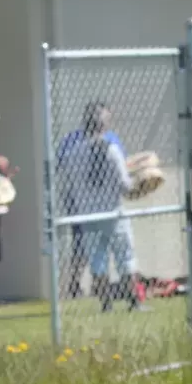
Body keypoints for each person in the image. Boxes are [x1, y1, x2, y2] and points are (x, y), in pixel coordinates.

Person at [61, 101, 145, 311]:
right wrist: (140, 183)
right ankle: (134, 301)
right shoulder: (112, 150)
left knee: (97, 259)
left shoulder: (72, 154)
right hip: (112, 212)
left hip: (87, 214)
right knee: (125, 255)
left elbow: (71, 185)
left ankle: (106, 303)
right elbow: (125, 185)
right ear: (103, 125)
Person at [56, 104, 127, 299]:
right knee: (83, 244)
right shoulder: (72, 140)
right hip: (79, 202)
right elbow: (62, 167)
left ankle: (102, 288)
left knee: (112, 245)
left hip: (107, 201)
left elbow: (121, 166)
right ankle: (76, 284)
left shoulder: (112, 139)